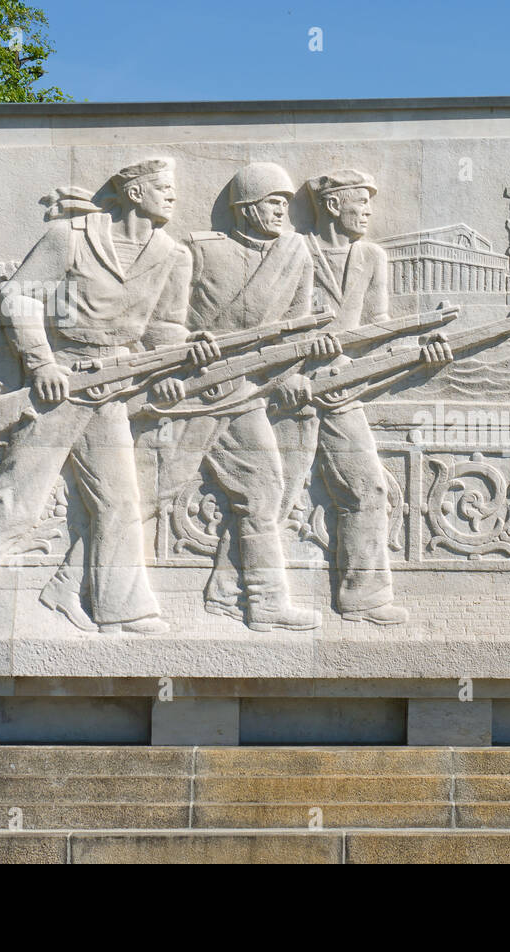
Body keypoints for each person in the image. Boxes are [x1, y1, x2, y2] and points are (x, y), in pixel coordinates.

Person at [0, 158, 219, 636]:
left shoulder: (172, 255)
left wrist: (179, 359)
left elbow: (165, 328)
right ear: (135, 192)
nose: (173, 196)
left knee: (119, 504)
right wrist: (41, 363)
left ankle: (123, 610)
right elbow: (20, 298)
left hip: (115, 389)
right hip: (63, 385)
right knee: (17, 501)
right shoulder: (70, 237)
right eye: (163, 187)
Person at [160, 161, 336, 630]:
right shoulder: (198, 250)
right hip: (194, 391)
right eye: (272, 202)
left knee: (264, 490)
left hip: (246, 392)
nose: (283, 210)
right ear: (245, 206)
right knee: (148, 492)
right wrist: (183, 346)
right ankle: (65, 585)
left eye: (285, 203)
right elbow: (162, 319)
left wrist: (298, 367)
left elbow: (296, 328)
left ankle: (260, 602)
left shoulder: (296, 254)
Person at [288, 169, 452, 624]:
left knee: (367, 487)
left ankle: (364, 596)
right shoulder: (295, 249)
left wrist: (421, 351)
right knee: (271, 494)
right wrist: (304, 351)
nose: (368, 212)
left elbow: (376, 332)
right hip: (290, 387)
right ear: (334, 204)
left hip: (343, 388)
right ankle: (231, 590)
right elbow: (273, 321)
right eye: (360, 201)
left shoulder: (372, 256)